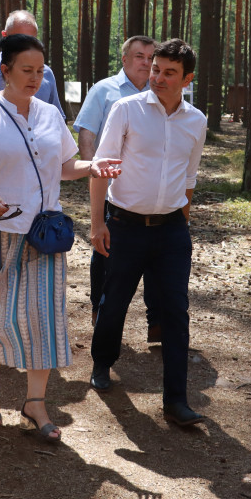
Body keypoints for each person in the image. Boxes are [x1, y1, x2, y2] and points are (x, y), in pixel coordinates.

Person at [0, 34, 121, 443]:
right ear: (4, 70)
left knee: (42, 316)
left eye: (40, 71)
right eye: (27, 70)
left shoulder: (48, 114)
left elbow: (64, 164)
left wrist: (93, 166)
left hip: (44, 234)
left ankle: (35, 403)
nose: (35, 78)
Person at [88, 38, 208, 427]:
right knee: (114, 300)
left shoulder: (196, 121)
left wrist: (182, 223)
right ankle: (103, 362)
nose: (157, 77)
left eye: (169, 72)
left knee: (175, 312)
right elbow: (101, 168)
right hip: (125, 225)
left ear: (186, 79)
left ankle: (176, 400)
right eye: (155, 69)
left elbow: (189, 177)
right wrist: (97, 223)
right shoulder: (126, 110)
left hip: (172, 231)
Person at [73, 35, 160, 340]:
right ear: (124, 60)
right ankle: (99, 309)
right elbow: (87, 134)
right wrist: (92, 174)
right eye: (139, 56)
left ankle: (156, 320)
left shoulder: (160, 91)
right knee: (104, 250)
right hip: (111, 189)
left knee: (155, 256)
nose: (146, 63)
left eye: (151, 58)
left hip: (149, 193)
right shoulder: (104, 90)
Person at [0, 10, 65, 117]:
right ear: (4, 36)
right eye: (18, 41)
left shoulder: (47, 73)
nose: (25, 47)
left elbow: (57, 118)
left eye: (31, 41)